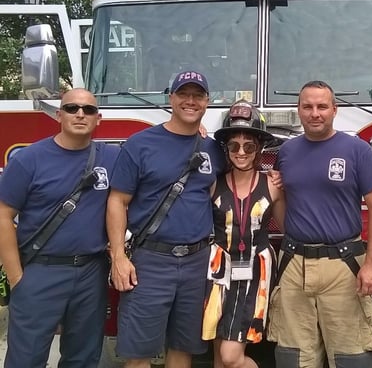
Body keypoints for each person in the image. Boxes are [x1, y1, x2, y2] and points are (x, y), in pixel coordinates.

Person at [106, 70, 226, 368]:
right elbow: (117, 201)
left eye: (197, 95)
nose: (190, 101)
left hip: (198, 262)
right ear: (170, 98)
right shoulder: (140, 144)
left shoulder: (212, 148)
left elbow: (216, 192)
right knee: (138, 354)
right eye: (183, 94)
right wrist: (118, 256)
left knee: (182, 349)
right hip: (150, 261)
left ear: (207, 102)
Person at [267, 80, 372, 368]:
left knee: (352, 356)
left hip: (343, 265)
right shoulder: (286, 152)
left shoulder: (357, 150)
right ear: (299, 111)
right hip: (295, 265)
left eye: (322, 106)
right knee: (293, 357)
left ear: (335, 110)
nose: (315, 113)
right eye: (307, 107)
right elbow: (281, 202)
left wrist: (371, 264)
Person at [0, 88, 120, 368]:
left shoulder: (112, 158)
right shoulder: (29, 159)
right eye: (72, 108)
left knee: (83, 357)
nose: (80, 114)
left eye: (88, 110)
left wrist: (194, 133)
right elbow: (3, 216)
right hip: (40, 270)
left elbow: (154, 155)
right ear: (59, 115)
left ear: (98, 118)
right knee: (25, 359)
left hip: (91, 271)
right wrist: (17, 278)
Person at [202, 100, 285, 368]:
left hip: (255, 272)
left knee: (230, 355)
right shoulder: (213, 182)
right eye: (233, 146)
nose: (241, 152)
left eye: (249, 146)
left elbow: (286, 228)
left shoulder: (272, 185)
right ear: (225, 149)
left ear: (259, 148)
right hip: (217, 272)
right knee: (218, 353)